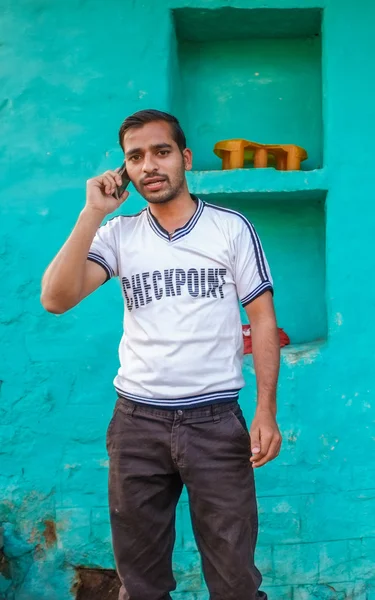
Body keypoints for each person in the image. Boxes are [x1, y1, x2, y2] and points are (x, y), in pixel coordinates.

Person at [41, 109, 282, 600]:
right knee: (142, 582)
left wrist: (266, 410)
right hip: (137, 424)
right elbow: (55, 298)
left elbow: (261, 319)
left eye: (161, 152)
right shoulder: (117, 234)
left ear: (184, 158)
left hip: (215, 421)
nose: (149, 165)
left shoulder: (230, 228)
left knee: (235, 580)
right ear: (124, 170)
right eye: (135, 157)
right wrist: (93, 213)